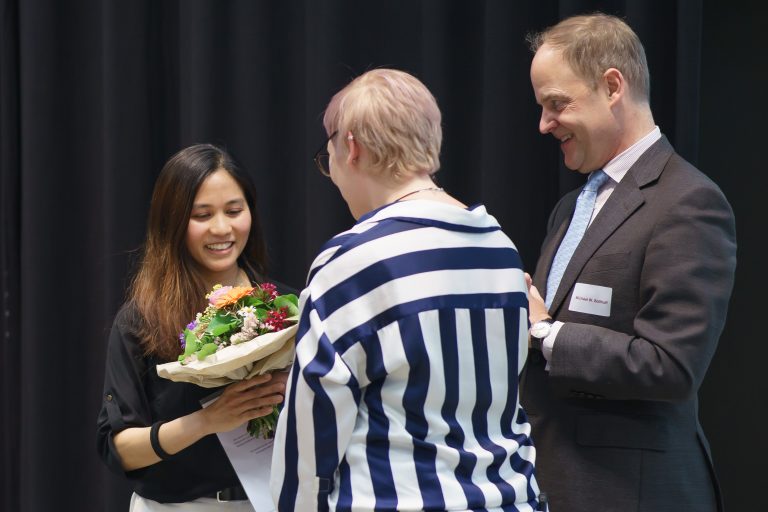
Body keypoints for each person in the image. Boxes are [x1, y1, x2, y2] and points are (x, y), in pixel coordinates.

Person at [270, 68, 542, 511]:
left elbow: (313, 429)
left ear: (351, 147)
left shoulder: (353, 261)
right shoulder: (500, 248)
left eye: (330, 154)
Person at [522, 13, 736, 512]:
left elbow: (671, 366)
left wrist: (543, 332)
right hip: (558, 483)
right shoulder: (572, 206)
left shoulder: (689, 201)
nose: (544, 124)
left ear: (612, 86)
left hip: (633, 493)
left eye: (557, 104)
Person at [96, 144, 292, 511]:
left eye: (234, 211)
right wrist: (208, 420)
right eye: (202, 215)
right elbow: (118, 447)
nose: (222, 228)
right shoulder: (142, 320)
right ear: (172, 222)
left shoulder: (286, 308)